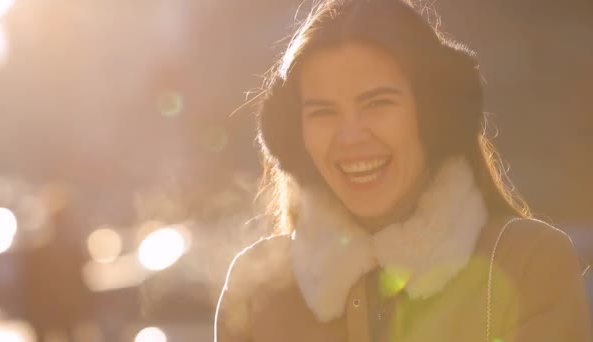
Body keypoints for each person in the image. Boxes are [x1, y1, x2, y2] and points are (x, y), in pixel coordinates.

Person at [215, 0, 593, 340]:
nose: (350, 137)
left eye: (378, 104)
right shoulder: (256, 291)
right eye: (323, 112)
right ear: (294, 137)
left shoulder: (528, 263)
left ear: (435, 115)